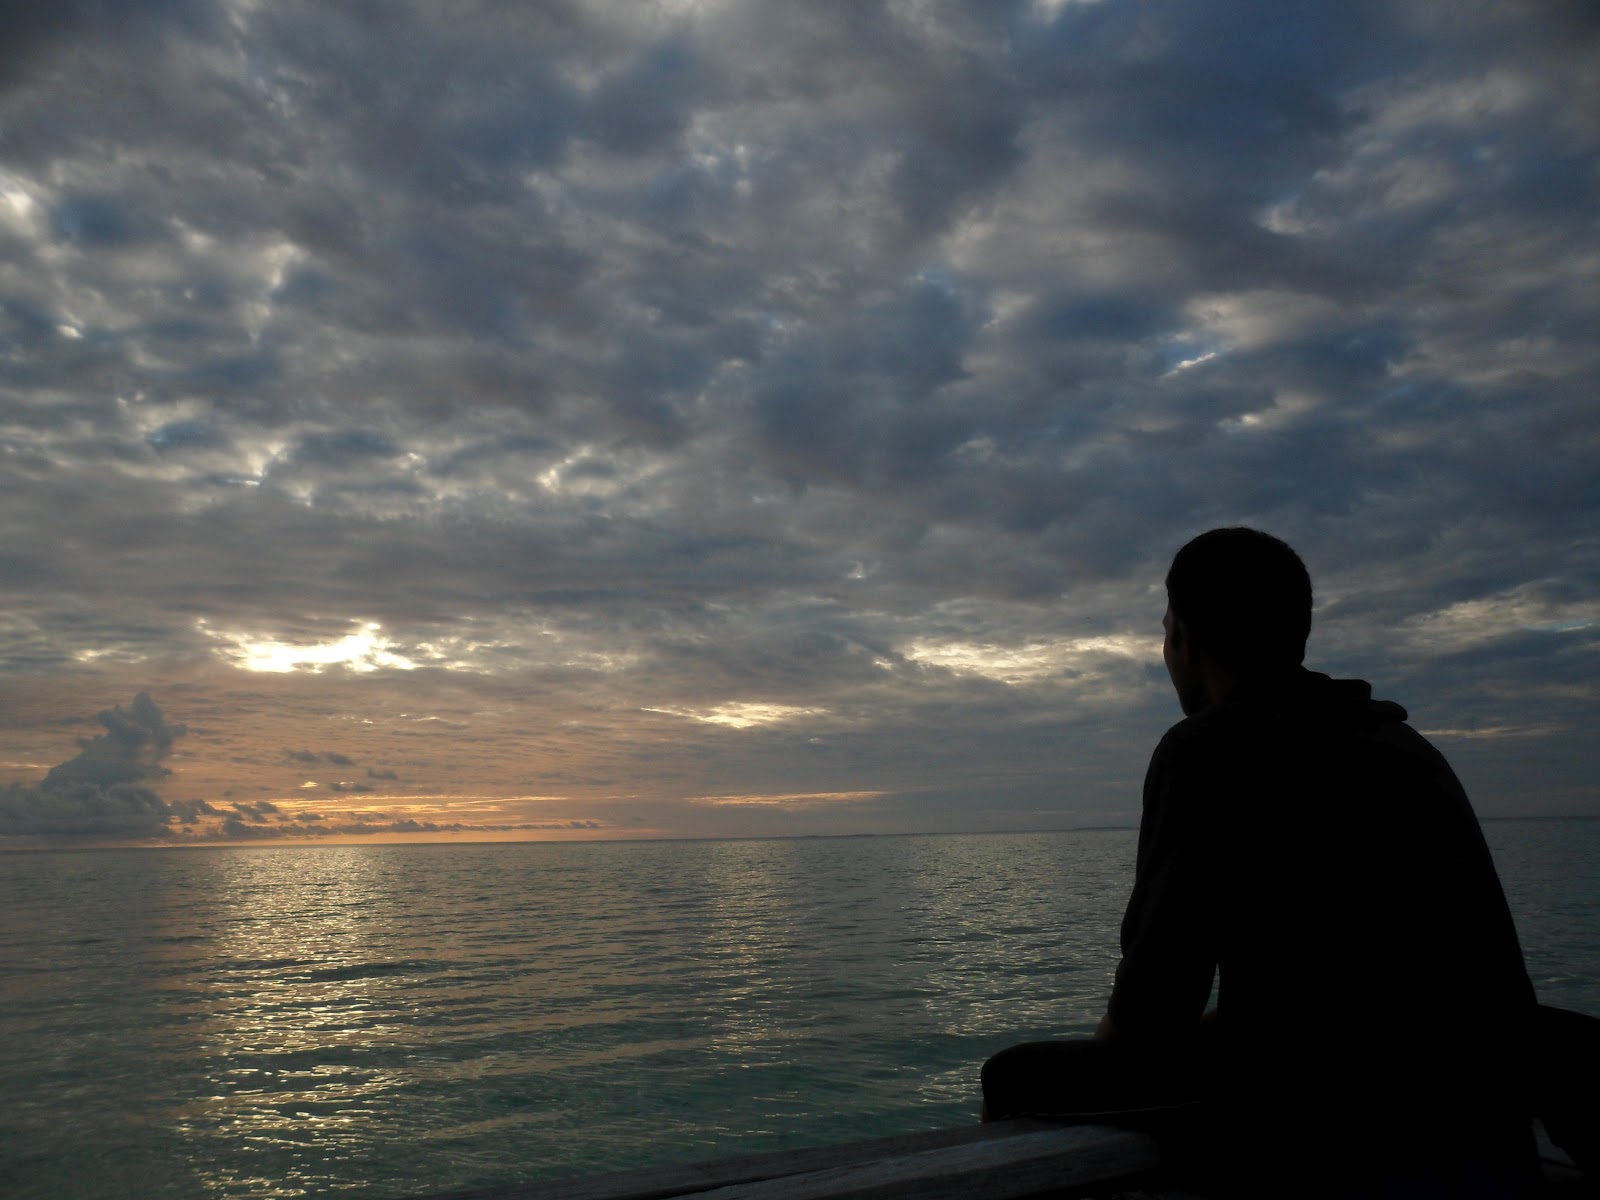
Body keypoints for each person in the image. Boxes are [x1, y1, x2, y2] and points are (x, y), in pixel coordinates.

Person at [982, 528, 1543, 1197]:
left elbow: (1154, 1012)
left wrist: (1114, 1055)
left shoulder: (1210, 749)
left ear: (1185, 639)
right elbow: (1355, 982)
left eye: (1166, 631)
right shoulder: (1402, 745)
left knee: (1014, 1077)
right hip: (1487, 1116)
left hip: (1344, 1126)